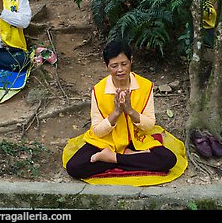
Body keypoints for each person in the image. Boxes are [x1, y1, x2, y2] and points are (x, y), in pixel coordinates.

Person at [64, 39, 178, 179]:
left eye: (124, 64)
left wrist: (130, 111)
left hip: (137, 138)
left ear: (131, 60)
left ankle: (113, 159)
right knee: (74, 167)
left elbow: (149, 124)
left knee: (168, 159)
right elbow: (97, 131)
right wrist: (116, 112)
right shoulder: (98, 90)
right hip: (107, 141)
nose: (120, 70)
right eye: (114, 66)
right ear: (107, 66)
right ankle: (130, 158)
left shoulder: (145, 86)